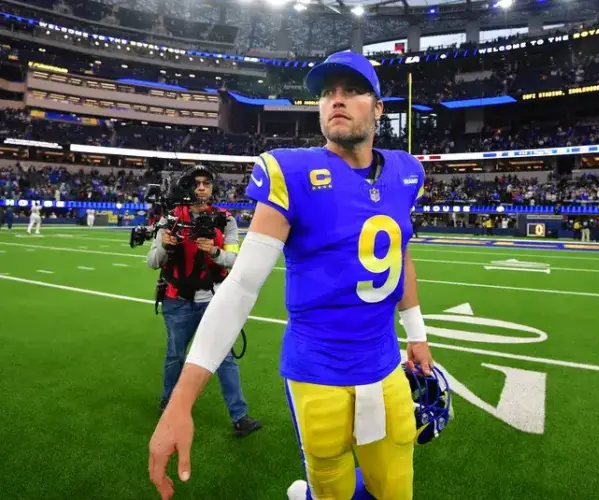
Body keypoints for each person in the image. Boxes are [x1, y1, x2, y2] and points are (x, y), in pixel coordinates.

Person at [148, 51, 435, 500]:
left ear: (378, 109)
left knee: (395, 490)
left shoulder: (406, 172)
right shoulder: (292, 171)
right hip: (317, 371)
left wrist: (416, 334)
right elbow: (241, 285)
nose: (336, 101)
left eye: (352, 90)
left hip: (384, 364)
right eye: (326, 93)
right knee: (332, 491)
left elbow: (402, 255)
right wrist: (181, 400)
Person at [146, 164, 261, 438]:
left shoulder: (225, 220)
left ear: (212, 188)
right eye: (195, 183)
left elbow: (235, 261)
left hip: (214, 299)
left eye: (205, 183)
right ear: (186, 186)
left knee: (226, 358)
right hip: (177, 300)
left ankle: (240, 416)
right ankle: (168, 402)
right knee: (175, 354)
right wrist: (165, 244)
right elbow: (152, 262)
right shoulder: (170, 218)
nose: (200, 188)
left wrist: (215, 252)